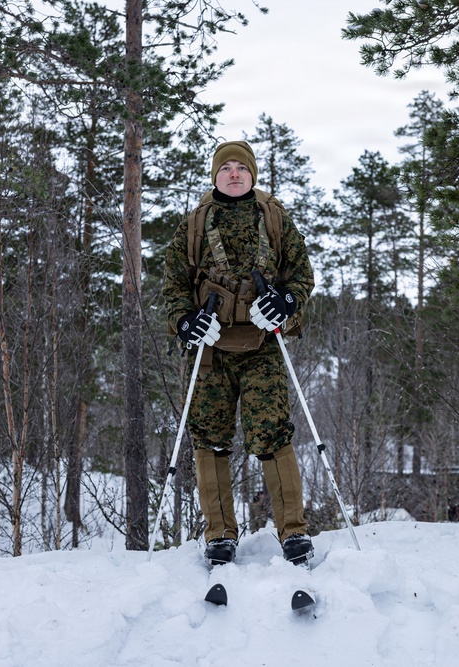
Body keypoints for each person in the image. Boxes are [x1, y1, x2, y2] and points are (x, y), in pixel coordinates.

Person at [161, 140, 316, 566]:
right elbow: (173, 287)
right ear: (215, 175)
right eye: (225, 167)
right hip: (211, 348)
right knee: (209, 440)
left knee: (272, 434)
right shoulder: (193, 225)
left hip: (263, 344)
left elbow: (301, 274)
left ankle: (294, 533)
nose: (233, 173)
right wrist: (187, 321)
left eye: (241, 168)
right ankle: (219, 535)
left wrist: (285, 302)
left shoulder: (274, 218)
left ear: (252, 175)